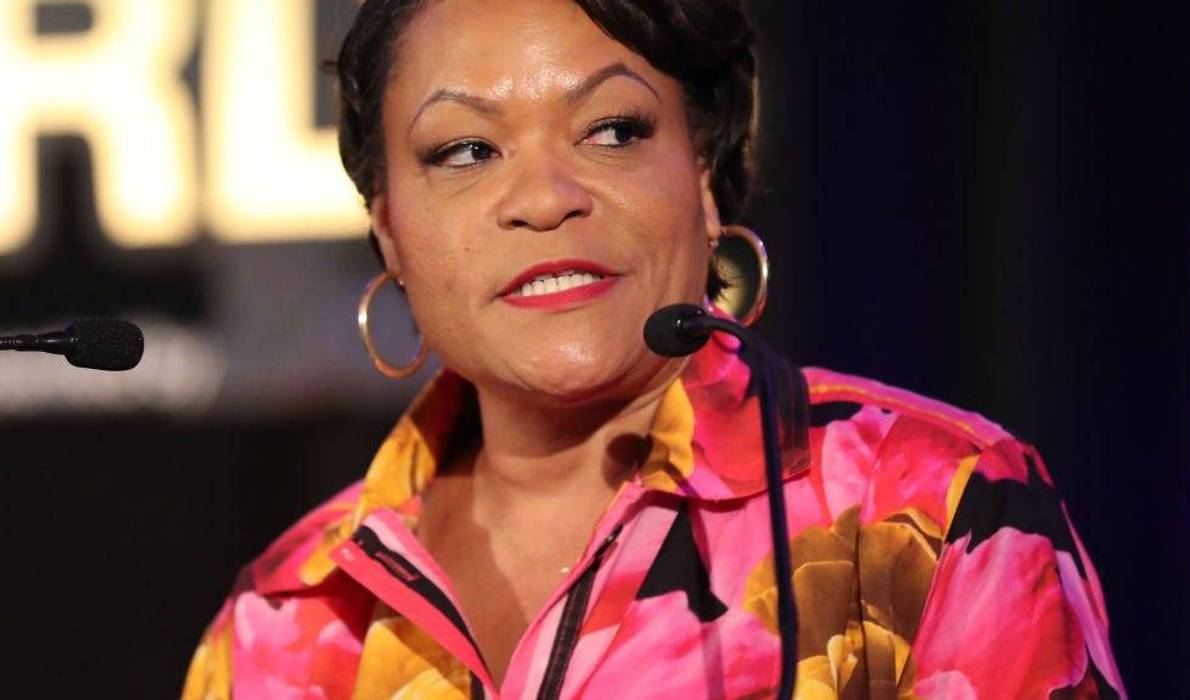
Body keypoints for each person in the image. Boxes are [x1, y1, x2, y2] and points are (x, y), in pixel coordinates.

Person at [181, 0, 1126, 697]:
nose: (544, 199)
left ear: (705, 178)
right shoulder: (287, 617)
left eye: (612, 131)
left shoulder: (928, 509)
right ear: (388, 229)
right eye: (465, 151)